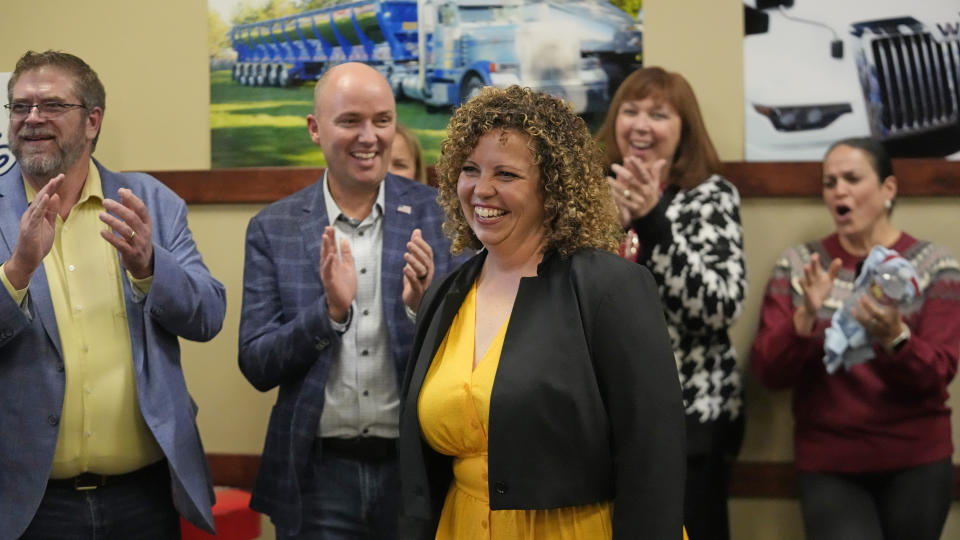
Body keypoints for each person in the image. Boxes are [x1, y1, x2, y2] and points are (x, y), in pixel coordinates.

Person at [398, 85, 686, 539]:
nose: (482, 189)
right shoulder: (445, 296)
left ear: (553, 188)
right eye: (470, 169)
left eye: (507, 174)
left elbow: (653, 458)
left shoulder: (610, 289)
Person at [0, 50, 225, 538]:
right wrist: (17, 271)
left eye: (51, 105)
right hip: (27, 506)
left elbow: (208, 315)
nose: (32, 119)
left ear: (92, 121)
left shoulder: (151, 204)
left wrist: (149, 266)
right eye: (19, 107)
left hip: (142, 500)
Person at [238, 62, 465, 539]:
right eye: (351, 121)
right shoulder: (272, 227)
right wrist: (329, 314)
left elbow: (476, 356)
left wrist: (419, 308)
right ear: (315, 130)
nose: (370, 136)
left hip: (416, 469)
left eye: (382, 120)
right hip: (318, 474)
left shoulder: (441, 216)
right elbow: (256, 364)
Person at [751, 138, 959, 540]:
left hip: (916, 457)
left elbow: (939, 372)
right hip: (830, 461)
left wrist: (896, 337)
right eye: (830, 182)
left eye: (852, 178)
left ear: (888, 190)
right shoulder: (801, 267)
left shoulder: (935, 265)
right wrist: (804, 321)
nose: (839, 191)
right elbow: (768, 372)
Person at [595, 66, 746, 540]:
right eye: (631, 110)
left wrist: (653, 222)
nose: (641, 125)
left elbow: (720, 306)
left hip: (690, 419)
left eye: (658, 114)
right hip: (603, 416)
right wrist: (607, 229)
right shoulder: (589, 192)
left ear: (683, 131)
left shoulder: (710, 197)